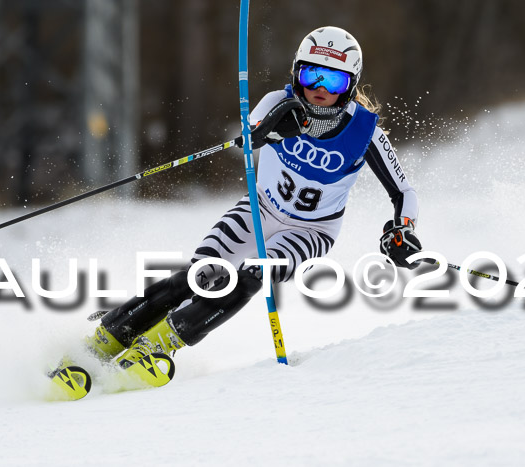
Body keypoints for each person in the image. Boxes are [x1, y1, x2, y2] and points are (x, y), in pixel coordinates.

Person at [51, 26, 422, 395]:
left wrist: (401, 230)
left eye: (334, 80)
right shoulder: (278, 102)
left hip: (311, 231)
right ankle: (102, 342)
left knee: (251, 276)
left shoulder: (366, 132)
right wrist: (265, 132)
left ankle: (157, 347)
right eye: (311, 74)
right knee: (201, 276)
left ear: (351, 85)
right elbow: (250, 134)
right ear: (296, 72)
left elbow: (403, 191)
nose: (319, 88)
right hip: (259, 208)